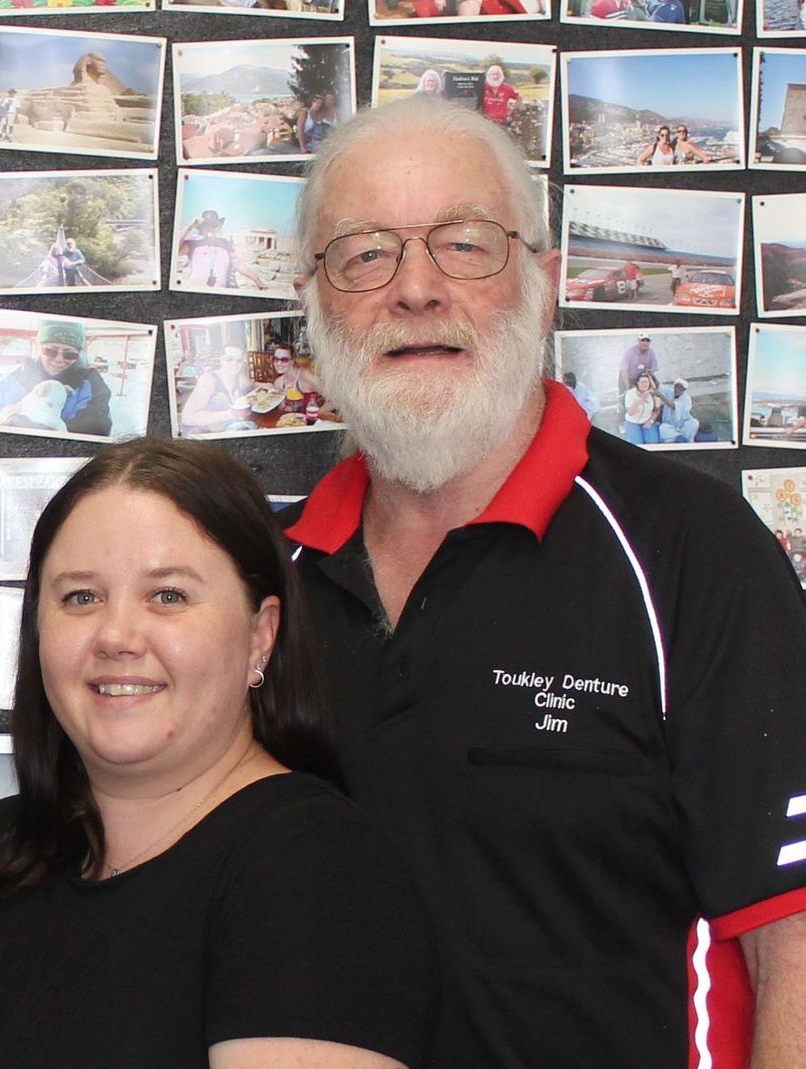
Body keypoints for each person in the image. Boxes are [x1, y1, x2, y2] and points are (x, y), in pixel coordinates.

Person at [288, 95, 806, 1066]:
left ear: (544, 282)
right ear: (310, 301)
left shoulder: (693, 556)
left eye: (464, 244)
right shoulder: (263, 583)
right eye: (364, 253)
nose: (414, 289)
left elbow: (794, 947)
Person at [0, 437, 437, 1066]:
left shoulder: (320, 872)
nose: (116, 636)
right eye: (81, 597)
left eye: (168, 596)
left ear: (260, 635)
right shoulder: (0, 847)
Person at [0, 320, 114, 437]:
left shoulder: (89, 382)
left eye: (69, 354)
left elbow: (98, 426)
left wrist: (44, 430)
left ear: (78, 354)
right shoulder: (15, 380)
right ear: (39, 348)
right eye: (50, 351)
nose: (59, 359)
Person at [179, 344, 260, 433]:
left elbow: (254, 385)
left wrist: (269, 386)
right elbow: (187, 417)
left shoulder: (240, 378)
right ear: (221, 360)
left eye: (239, 360)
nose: (234, 363)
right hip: (206, 432)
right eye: (229, 359)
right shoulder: (209, 380)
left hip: (230, 429)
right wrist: (231, 414)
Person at [621, 369, 664, 444]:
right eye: (642, 382)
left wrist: (651, 421)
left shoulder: (653, 393)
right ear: (638, 383)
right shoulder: (630, 393)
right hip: (632, 422)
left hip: (647, 420)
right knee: (638, 444)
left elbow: (657, 410)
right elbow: (630, 412)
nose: (645, 384)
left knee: (653, 442)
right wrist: (638, 401)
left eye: (646, 382)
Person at [659, 377, 700, 443]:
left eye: (680, 388)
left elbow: (673, 406)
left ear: (684, 389)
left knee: (694, 423)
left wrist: (660, 396)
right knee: (662, 428)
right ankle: (680, 438)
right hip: (671, 426)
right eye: (677, 386)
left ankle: (685, 440)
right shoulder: (669, 392)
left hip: (683, 426)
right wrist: (649, 375)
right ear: (674, 386)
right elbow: (658, 386)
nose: (677, 389)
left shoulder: (686, 398)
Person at [297, 89, 337, 154]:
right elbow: (300, 131)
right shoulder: (305, 113)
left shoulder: (320, 115)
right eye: (317, 103)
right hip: (307, 145)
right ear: (312, 102)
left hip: (320, 144)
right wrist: (302, 146)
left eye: (321, 104)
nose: (319, 105)